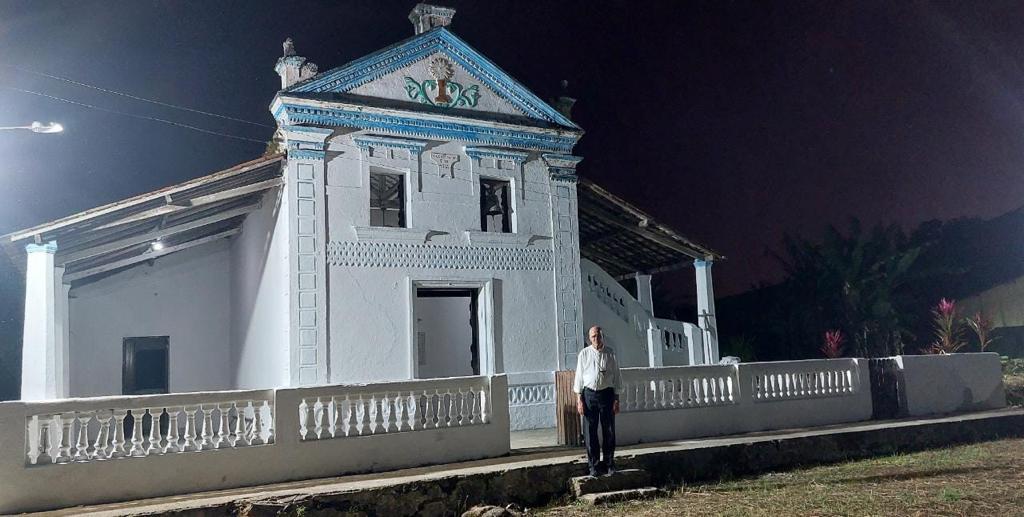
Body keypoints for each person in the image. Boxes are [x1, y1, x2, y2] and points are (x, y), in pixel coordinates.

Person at [573, 325, 622, 477]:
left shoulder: (610, 353)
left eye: (598, 336)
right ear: (589, 338)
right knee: (590, 432)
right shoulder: (584, 354)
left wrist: (616, 399)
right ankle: (593, 466)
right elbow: (579, 378)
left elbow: (616, 376)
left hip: (606, 395)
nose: (596, 339)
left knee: (608, 431)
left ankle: (609, 464)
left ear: (602, 336)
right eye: (593, 336)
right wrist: (579, 400)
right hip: (589, 395)